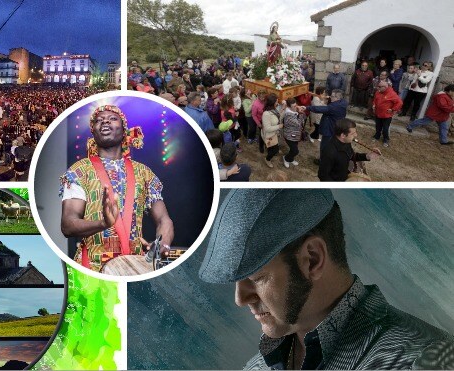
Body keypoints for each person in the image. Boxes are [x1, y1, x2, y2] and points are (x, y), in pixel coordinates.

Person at [199, 188, 454, 370]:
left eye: (256, 278)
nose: (240, 299)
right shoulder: (256, 367)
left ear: (312, 259)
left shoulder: (423, 360)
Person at [60, 105, 174, 272]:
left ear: (124, 130)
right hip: (92, 267)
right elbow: (68, 225)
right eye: (99, 120)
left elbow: (164, 220)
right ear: (93, 132)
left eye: (112, 118)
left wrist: (162, 244)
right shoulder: (78, 171)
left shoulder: (144, 173)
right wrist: (103, 223)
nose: (105, 121)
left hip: (135, 267)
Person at [304, 89, 348, 163]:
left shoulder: (334, 107)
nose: (330, 97)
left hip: (329, 129)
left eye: (332, 96)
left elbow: (320, 109)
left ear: (337, 98)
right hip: (336, 127)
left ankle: (323, 161)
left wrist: (307, 107)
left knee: (325, 146)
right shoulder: (342, 102)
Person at [372, 81, 402, 147]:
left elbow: (399, 103)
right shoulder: (378, 92)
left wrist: (393, 109)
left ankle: (386, 139)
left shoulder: (392, 94)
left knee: (385, 128)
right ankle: (377, 136)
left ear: (385, 87)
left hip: (386, 115)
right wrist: (374, 105)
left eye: (379, 87)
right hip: (378, 113)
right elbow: (375, 100)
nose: (378, 88)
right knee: (378, 126)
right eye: (378, 86)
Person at [261, 94, 284, 168]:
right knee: (273, 150)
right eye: (276, 101)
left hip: (274, 134)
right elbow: (267, 128)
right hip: (269, 136)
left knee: (274, 146)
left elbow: (278, 116)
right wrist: (279, 126)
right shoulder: (266, 114)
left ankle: (275, 150)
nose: (278, 103)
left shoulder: (274, 109)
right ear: (272, 103)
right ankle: (267, 159)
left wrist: (283, 108)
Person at [282, 98, 306, 168]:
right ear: (289, 107)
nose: (296, 107)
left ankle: (291, 159)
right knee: (295, 151)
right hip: (289, 135)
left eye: (296, 105)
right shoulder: (289, 115)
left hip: (296, 135)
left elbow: (303, 119)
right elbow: (299, 123)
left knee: (293, 148)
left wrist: (298, 111)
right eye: (294, 106)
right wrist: (300, 113)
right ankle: (286, 158)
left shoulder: (294, 111)